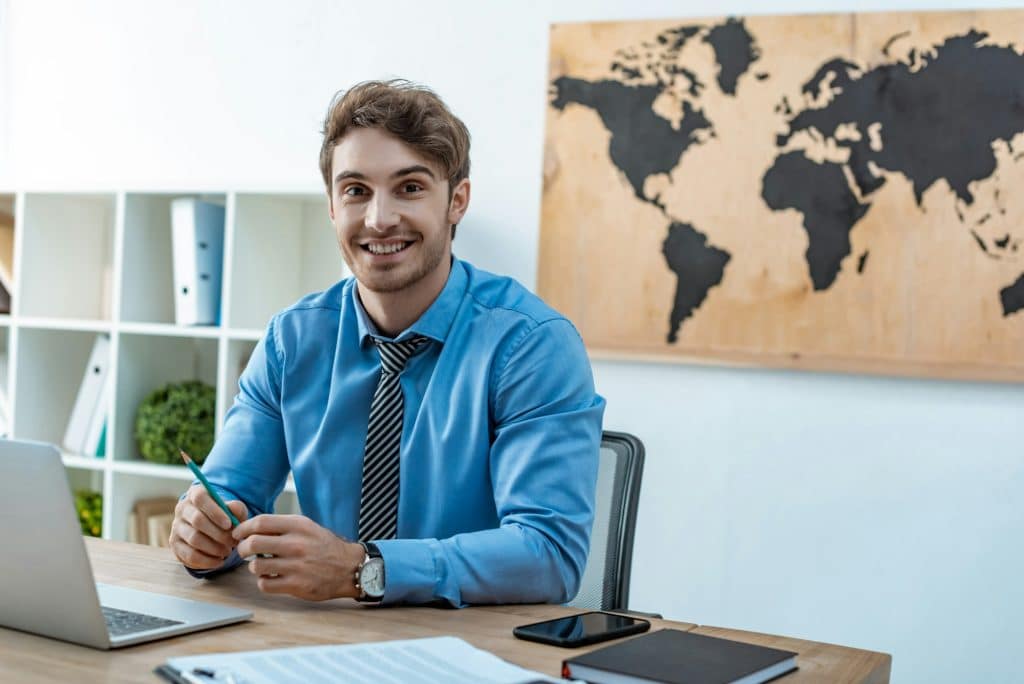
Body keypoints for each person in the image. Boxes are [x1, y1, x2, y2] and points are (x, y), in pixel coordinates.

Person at [169, 80, 605, 607]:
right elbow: (227, 496)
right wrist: (204, 535)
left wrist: (367, 569)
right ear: (332, 205)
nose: (379, 219)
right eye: (356, 190)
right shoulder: (292, 339)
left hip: (472, 652)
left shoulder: (531, 346)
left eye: (410, 188)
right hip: (322, 639)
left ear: (457, 201)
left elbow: (550, 555)